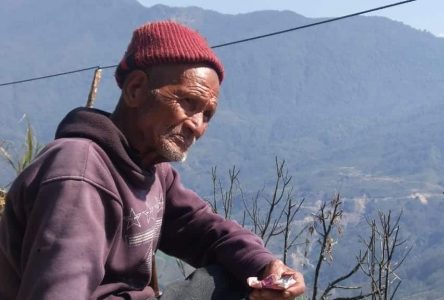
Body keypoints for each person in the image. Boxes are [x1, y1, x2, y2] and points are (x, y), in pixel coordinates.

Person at [0, 21, 305, 300]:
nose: (196, 126)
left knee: (239, 279)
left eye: (207, 114)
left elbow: (206, 230)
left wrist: (267, 267)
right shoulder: (79, 176)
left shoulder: (151, 169)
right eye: (188, 102)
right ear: (136, 89)